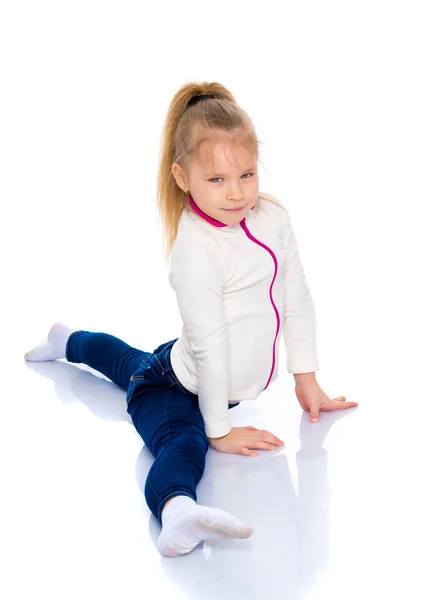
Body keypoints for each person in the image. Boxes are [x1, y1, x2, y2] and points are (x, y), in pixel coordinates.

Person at [24, 81, 358, 558]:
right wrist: (218, 430)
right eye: (217, 180)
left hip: (182, 363)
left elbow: (296, 296)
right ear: (183, 177)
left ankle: (67, 338)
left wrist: (307, 377)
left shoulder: (272, 218)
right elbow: (212, 343)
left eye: (246, 174)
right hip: (174, 386)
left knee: (128, 361)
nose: (237, 193)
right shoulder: (195, 251)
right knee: (183, 438)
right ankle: (177, 511)